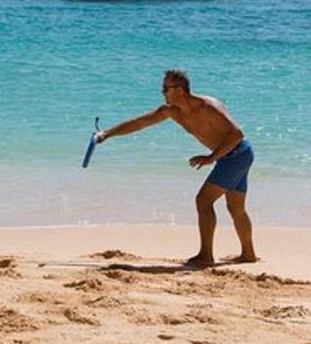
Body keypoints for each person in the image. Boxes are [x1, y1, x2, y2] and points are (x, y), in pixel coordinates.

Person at [96, 69, 255, 267]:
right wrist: (107, 134)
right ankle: (248, 254)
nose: (162, 93)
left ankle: (206, 255)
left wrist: (211, 158)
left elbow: (237, 134)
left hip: (237, 154)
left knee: (203, 201)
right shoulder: (171, 111)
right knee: (235, 207)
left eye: (165, 89)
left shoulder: (207, 107)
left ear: (179, 90)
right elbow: (140, 123)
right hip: (234, 156)